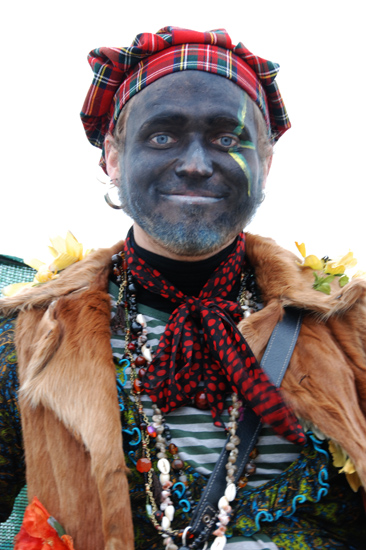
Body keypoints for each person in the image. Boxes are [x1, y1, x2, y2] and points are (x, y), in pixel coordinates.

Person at [1, 26, 366, 550]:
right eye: (163, 136)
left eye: (226, 138)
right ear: (111, 157)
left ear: (265, 163)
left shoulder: (347, 325)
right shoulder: (30, 339)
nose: (196, 164)